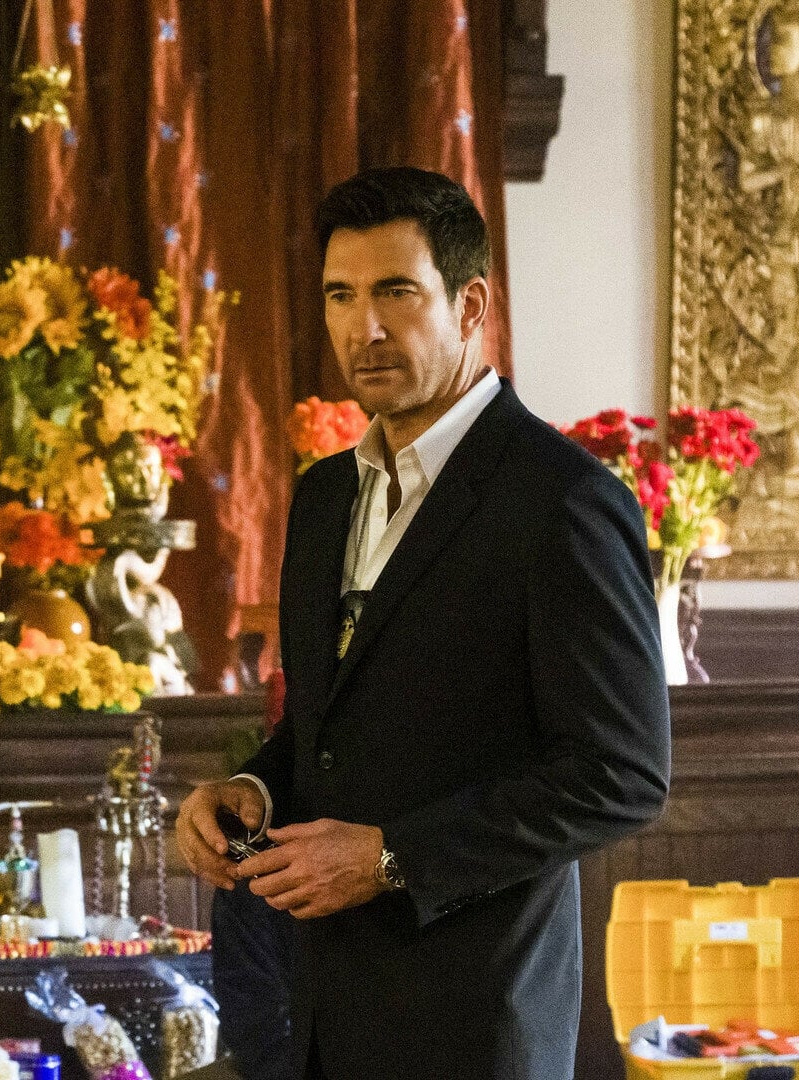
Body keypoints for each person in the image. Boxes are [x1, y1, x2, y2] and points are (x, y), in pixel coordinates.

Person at [175, 166, 672, 1079]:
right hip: (322, 1020)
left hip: (476, 1022)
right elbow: (330, 726)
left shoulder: (562, 501)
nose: (363, 327)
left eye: (396, 292)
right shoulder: (324, 497)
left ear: (469, 303)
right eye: (340, 295)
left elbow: (622, 773)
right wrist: (251, 789)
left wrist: (391, 859)